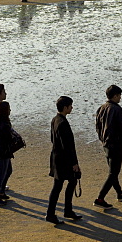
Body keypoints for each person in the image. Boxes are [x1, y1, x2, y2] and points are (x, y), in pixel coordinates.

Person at [94, 84, 122, 208]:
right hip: (115, 144)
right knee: (113, 173)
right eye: (119, 96)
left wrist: (102, 139)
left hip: (105, 144)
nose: (120, 98)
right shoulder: (117, 109)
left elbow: (97, 126)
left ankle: (119, 193)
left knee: (113, 171)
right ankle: (100, 199)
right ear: (115, 96)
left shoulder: (101, 108)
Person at [47, 95, 81, 224]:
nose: (72, 108)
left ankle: (66, 210)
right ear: (65, 107)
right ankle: (54, 213)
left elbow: (52, 139)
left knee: (66, 183)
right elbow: (68, 146)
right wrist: (74, 163)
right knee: (63, 185)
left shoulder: (55, 119)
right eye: (70, 106)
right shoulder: (63, 123)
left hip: (56, 157)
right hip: (63, 160)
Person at [0, 101, 21, 206]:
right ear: (5, 111)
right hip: (3, 152)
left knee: (7, 171)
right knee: (1, 174)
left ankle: (1, 192)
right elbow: (6, 139)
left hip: (1, 151)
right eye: (9, 109)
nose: (10, 110)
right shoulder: (3, 124)